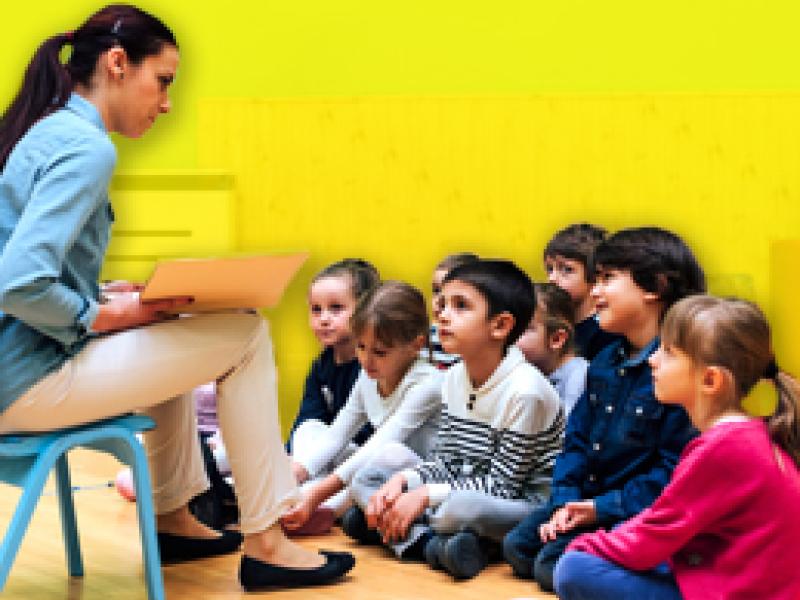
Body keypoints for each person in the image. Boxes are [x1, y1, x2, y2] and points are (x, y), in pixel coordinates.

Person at [0, 5, 353, 590]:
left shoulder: (45, 129)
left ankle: (170, 517)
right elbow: (19, 283)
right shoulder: (88, 149)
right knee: (245, 335)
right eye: (162, 81)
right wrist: (107, 313)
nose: (166, 103)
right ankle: (268, 542)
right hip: (25, 381)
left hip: (13, 370)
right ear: (118, 64)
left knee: (173, 325)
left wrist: (114, 297)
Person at [555, 296, 800, 600]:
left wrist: (585, 545)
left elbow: (654, 535)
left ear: (710, 380)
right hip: (718, 569)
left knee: (574, 568)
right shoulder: (741, 436)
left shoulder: (725, 447)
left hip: (735, 588)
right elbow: (665, 525)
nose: (652, 360)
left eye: (668, 352)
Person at [504, 226, 705, 592]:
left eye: (607, 279)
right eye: (595, 279)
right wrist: (565, 504)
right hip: (588, 505)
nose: (594, 292)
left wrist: (599, 509)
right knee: (518, 546)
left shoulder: (677, 374)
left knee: (554, 563)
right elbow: (575, 442)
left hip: (631, 511)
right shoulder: (602, 362)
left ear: (654, 287)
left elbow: (671, 473)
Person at [348, 260, 564, 580]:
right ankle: (435, 546)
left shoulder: (525, 392)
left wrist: (423, 497)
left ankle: (411, 535)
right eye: (444, 304)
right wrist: (405, 482)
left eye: (461, 306)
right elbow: (445, 460)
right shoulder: (453, 378)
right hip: (465, 486)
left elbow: (503, 487)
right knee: (365, 482)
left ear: (500, 326)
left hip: (522, 503)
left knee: (455, 510)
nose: (443, 315)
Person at [283, 281, 443, 534]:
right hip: (377, 470)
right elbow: (338, 432)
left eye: (379, 352)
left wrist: (316, 495)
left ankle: (328, 509)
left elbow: (381, 445)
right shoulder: (369, 374)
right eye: (360, 347)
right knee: (310, 429)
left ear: (416, 345)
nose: (366, 360)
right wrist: (294, 475)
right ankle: (300, 498)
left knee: (389, 453)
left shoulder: (428, 383)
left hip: (419, 473)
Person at [543, 223, 619, 360]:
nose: (552, 278)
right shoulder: (551, 324)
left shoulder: (604, 333)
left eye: (566, 269)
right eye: (549, 269)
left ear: (594, 276)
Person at [516, 283, 588, 416]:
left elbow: (566, 429)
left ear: (556, 339)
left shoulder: (579, 375)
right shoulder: (525, 370)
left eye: (521, 329)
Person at [426, 253, 479, 368]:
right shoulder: (424, 339)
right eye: (436, 290)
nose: (440, 300)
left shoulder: (477, 343)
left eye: (455, 295)